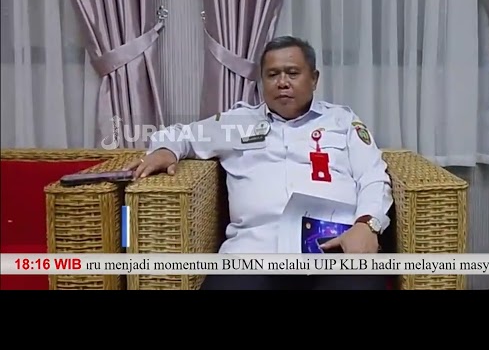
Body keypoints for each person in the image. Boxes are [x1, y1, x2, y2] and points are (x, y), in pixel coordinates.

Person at [125, 36, 393, 290]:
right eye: (273, 74)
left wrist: (366, 225)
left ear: (314, 79)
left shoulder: (342, 121)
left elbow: (373, 176)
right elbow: (180, 135)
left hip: (335, 248)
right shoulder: (237, 124)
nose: (282, 82)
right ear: (262, 82)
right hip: (253, 253)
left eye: (292, 73)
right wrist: (165, 150)